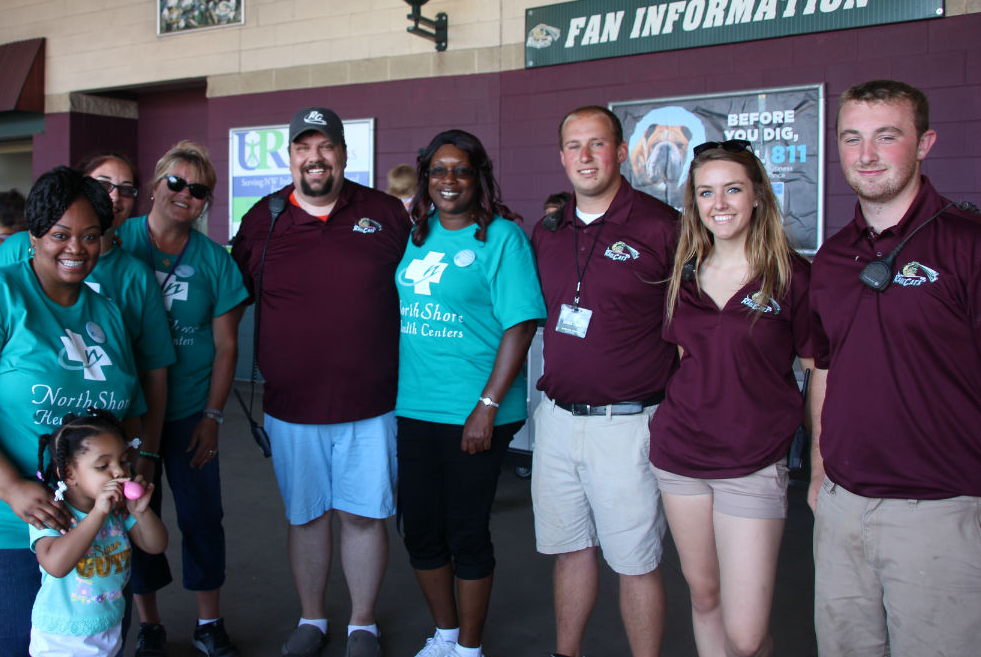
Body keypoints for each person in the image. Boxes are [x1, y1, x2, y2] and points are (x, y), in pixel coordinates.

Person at [0, 166, 144, 657]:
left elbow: (130, 414)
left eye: (90, 236)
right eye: (60, 234)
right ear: (34, 234)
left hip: (83, 530)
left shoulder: (106, 314)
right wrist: (12, 487)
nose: (76, 248)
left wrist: (132, 473)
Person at [808, 79, 981, 657]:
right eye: (852, 138)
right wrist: (817, 473)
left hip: (941, 511)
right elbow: (825, 370)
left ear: (924, 143)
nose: (866, 155)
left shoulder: (970, 246)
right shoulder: (834, 257)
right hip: (842, 506)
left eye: (887, 137)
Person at [231, 107, 411, 657]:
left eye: (326, 146)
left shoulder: (384, 213)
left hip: (372, 403)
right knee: (306, 517)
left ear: (343, 154)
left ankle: (362, 624)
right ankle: (312, 619)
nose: (315, 157)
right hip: (291, 407)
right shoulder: (263, 219)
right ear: (290, 158)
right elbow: (227, 296)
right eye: (304, 147)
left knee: (363, 514)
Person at [651, 139, 812, 657]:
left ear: (758, 195)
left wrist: (825, 459)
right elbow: (684, 362)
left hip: (752, 461)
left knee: (745, 636)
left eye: (733, 189)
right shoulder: (683, 275)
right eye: (705, 193)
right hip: (680, 458)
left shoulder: (791, 275)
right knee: (704, 597)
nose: (718, 204)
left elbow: (817, 368)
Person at [529, 106, 679, 657]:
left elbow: (689, 333)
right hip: (560, 422)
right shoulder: (547, 230)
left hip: (630, 424)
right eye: (574, 146)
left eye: (597, 144)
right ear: (562, 156)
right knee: (571, 551)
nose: (585, 157)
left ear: (621, 153)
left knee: (636, 562)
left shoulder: (663, 227)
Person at [395, 130, 545, 657]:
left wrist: (485, 407)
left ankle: (469, 649)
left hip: (476, 411)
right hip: (415, 407)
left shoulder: (502, 238)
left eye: (460, 170)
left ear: (477, 176)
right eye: (439, 170)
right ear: (426, 178)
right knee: (419, 531)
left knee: (465, 531)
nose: (449, 180)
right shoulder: (417, 234)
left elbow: (520, 326)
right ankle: (444, 635)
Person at [116, 141, 248, 657]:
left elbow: (226, 346)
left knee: (201, 516)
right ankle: (148, 623)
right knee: (136, 513)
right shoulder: (115, 241)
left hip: (190, 410)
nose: (184, 195)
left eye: (198, 190)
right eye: (175, 182)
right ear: (155, 184)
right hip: (127, 413)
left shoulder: (216, 262)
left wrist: (213, 416)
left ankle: (208, 622)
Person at [0, 152, 175, 494]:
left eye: (126, 189)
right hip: (3, 498)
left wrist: (140, 452)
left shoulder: (115, 303)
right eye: (103, 185)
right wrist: (11, 486)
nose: (114, 196)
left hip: (97, 489)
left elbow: (145, 382)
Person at [30, 408, 167, 657]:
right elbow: (55, 565)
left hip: (108, 628)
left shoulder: (118, 511)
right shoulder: (53, 513)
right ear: (69, 474)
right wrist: (97, 514)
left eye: (123, 461)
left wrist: (141, 512)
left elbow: (156, 545)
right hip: (61, 639)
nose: (119, 472)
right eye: (103, 465)